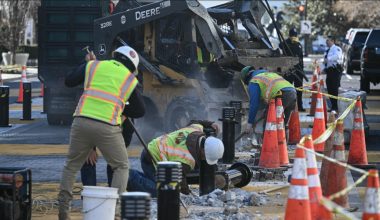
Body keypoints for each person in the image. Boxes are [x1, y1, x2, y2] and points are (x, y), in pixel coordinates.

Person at [58, 46, 145, 220]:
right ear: (132, 67)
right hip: (107, 126)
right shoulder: (129, 79)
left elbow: (69, 80)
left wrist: (87, 64)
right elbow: (140, 110)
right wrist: (122, 110)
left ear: (115, 56)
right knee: (121, 166)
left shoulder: (94, 66)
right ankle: (114, 212)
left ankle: (63, 212)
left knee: (71, 166)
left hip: (81, 121)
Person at [127, 120, 224, 197]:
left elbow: (195, 121)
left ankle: (131, 176)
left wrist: (210, 124)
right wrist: (186, 193)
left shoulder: (196, 130)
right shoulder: (188, 159)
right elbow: (179, 179)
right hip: (152, 159)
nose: (204, 159)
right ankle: (129, 177)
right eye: (205, 157)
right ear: (203, 150)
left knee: (152, 182)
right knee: (162, 191)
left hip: (152, 147)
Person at [240, 66, 297, 143]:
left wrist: (250, 122)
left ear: (246, 78)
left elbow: (254, 104)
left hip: (281, 95)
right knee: (283, 124)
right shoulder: (270, 74)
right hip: (292, 93)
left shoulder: (254, 81)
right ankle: (283, 150)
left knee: (269, 122)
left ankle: (267, 148)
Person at [279, 27, 305, 111]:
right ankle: (288, 106)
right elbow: (281, 46)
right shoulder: (293, 44)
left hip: (297, 70)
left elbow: (300, 57)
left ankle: (298, 106)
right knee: (289, 89)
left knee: (298, 89)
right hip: (289, 70)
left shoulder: (297, 44)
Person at [323, 36, 343, 112]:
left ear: (332, 41)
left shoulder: (337, 49)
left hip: (335, 71)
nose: (326, 42)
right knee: (329, 88)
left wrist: (328, 59)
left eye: (327, 40)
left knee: (334, 89)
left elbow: (337, 56)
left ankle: (335, 107)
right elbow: (325, 62)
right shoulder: (327, 50)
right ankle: (333, 106)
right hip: (329, 72)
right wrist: (323, 69)